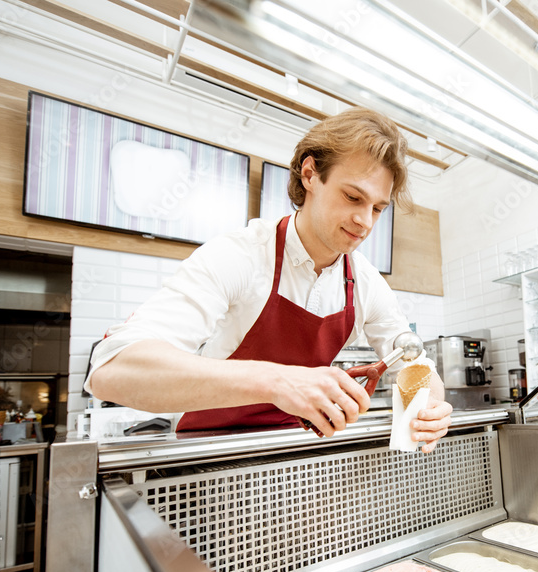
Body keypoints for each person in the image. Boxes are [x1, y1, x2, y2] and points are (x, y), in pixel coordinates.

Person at [87, 108, 452, 451]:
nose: (365, 221)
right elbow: (113, 370)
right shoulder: (241, 255)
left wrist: (429, 406)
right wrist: (277, 381)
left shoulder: (366, 283)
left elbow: (414, 362)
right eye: (352, 196)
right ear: (310, 175)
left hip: (288, 457)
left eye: (376, 208)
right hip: (204, 458)